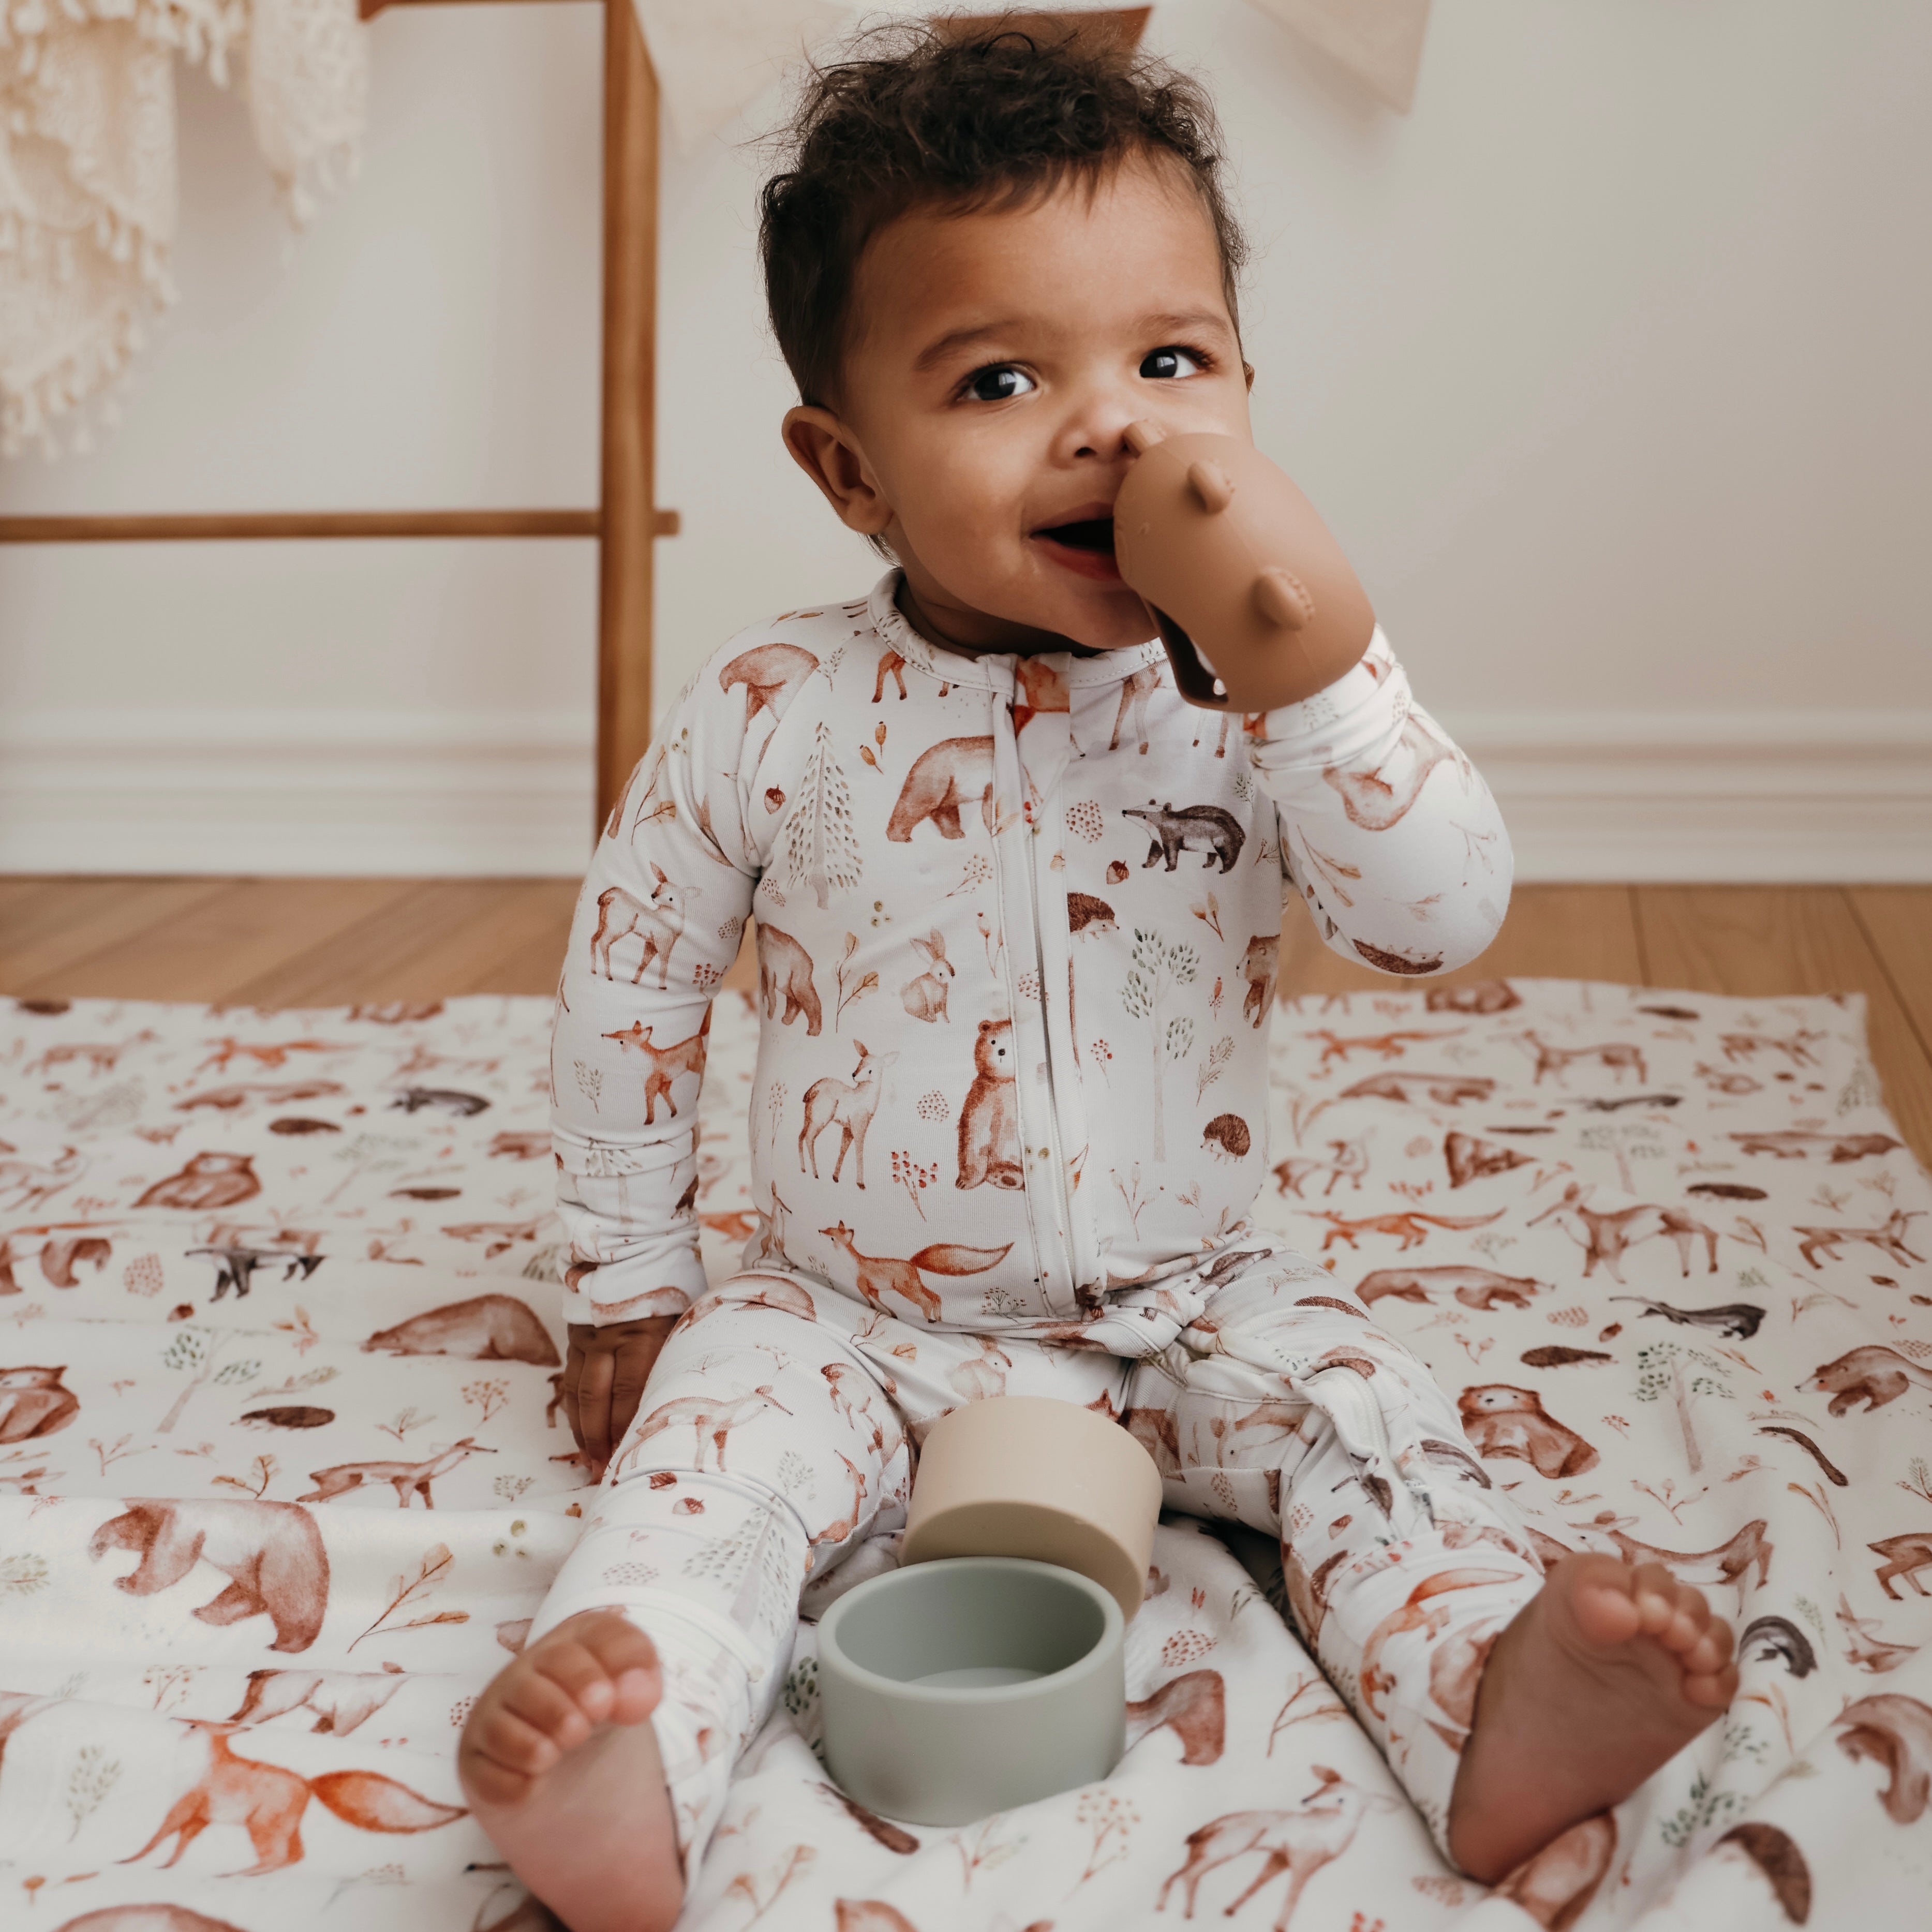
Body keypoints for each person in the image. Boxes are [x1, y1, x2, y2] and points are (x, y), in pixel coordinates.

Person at [457, 23, 1736, 1931]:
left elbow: (1435, 918)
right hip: (851, 1315)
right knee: (700, 1473)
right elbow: (635, 979)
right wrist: (635, 1277)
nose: (1113, 426)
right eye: (998, 376)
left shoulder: (1264, 702)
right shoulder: (768, 712)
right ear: (847, 467)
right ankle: (631, 1748)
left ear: (1243, 386)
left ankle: (1492, 1697)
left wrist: (1324, 666)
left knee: (1375, 1426)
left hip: (1195, 1293)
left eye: (1170, 362)